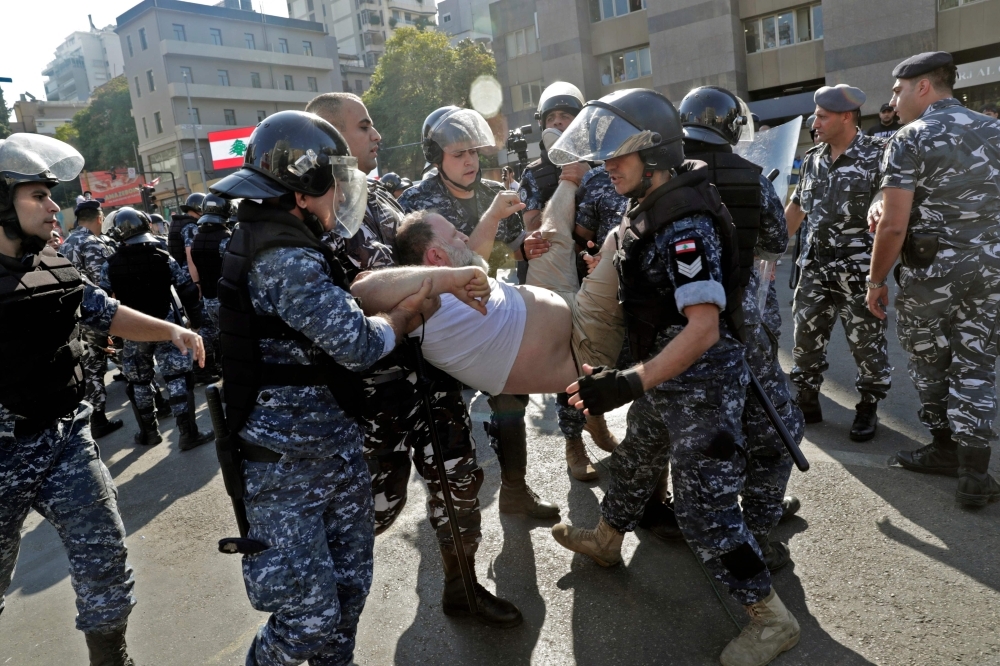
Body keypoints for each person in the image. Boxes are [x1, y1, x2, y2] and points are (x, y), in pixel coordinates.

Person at [546, 88, 801, 666]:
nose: (608, 167)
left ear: (655, 154)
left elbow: (704, 329)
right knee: (637, 458)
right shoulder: (647, 206)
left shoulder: (686, 225)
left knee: (704, 508)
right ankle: (608, 541)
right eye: (605, 157)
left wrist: (630, 383)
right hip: (665, 375)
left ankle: (770, 618)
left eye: (619, 156)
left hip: (701, 382)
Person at [209, 110, 432, 666]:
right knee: (306, 624)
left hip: (330, 450)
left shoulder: (294, 241)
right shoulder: (283, 257)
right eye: (334, 182)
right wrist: (404, 318)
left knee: (349, 598)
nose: (340, 196)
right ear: (305, 188)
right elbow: (357, 344)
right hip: (286, 469)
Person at [305, 92, 521, 626]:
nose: (376, 135)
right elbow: (358, 295)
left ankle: (463, 587)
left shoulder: (378, 197)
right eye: (364, 126)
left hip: (429, 369)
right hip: (369, 391)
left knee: (458, 481)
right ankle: (311, 609)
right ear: (330, 139)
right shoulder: (314, 215)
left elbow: (433, 260)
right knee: (375, 506)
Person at [0, 133, 205, 666]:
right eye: (37, 195)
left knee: (105, 560)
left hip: (66, 438)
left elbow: (103, 309)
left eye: (51, 194)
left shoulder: (53, 261)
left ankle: (111, 658)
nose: (52, 205)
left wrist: (172, 332)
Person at [397, 106, 562, 520]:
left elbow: (503, 249)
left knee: (510, 400)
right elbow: (459, 266)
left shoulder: (490, 193)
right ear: (436, 157)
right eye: (458, 154)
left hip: (489, 317)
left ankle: (515, 490)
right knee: (448, 433)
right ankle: (456, 533)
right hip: (442, 328)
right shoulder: (418, 204)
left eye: (474, 151)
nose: (470, 161)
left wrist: (525, 244)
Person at [675, 85, 804, 565]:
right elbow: (776, 237)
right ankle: (758, 526)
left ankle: (690, 519)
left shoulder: (661, 176)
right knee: (775, 429)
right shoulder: (751, 178)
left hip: (676, 329)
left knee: (688, 432)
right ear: (730, 127)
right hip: (740, 322)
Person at [867, 51, 1000, 507]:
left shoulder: (910, 137)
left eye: (898, 89)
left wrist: (875, 279)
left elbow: (893, 225)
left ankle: (945, 447)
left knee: (929, 359)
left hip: (930, 275)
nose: (894, 98)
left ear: (923, 86)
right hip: (992, 272)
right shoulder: (996, 130)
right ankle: (975, 474)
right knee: (977, 363)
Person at [519, 81, 618, 481]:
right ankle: (573, 443)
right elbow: (527, 229)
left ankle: (597, 419)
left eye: (567, 117)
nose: (559, 124)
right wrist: (563, 185)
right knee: (567, 365)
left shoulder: (605, 166)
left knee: (599, 358)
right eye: (552, 119)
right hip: (553, 284)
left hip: (596, 277)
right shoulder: (536, 174)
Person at [784, 84, 891, 441]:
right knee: (805, 339)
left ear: (846, 117)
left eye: (822, 116)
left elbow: (891, 197)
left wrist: (880, 204)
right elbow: (798, 207)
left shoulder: (878, 153)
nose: (815, 122)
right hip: (814, 268)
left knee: (867, 344)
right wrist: (769, 246)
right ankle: (807, 398)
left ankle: (868, 406)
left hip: (858, 271)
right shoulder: (813, 157)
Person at [100, 207, 213, 450]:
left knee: (139, 382)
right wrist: (196, 322)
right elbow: (187, 291)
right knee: (178, 378)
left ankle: (149, 433)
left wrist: (107, 336)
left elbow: (104, 301)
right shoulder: (163, 256)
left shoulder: (110, 264)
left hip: (133, 330)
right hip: (166, 325)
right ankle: (188, 434)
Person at [61, 199, 124, 438]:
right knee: (124, 357)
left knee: (91, 368)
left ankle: (96, 420)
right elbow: (104, 286)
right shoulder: (93, 244)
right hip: (100, 315)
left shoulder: (66, 244)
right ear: (99, 218)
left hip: (77, 318)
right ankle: (151, 407)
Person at [190, 193, 231, 378]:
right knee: (231, 337)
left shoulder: (197, 238)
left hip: (208, 298)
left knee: (214, 333)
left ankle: (208, 368)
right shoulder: (225, 239)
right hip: (226, 298)